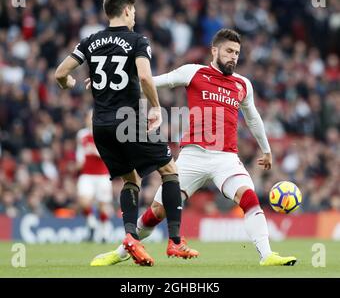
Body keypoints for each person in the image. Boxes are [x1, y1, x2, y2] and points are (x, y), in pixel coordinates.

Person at [92, 28, 297, 267]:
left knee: (248, 196)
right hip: (192, 156)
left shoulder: (243, 84)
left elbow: (253, 118)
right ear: (214, 50)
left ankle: (267, 255)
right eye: (229, 51)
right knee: (157, 212)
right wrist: (111, 87)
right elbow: (157, 82)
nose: (233, 57)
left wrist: (266, 149)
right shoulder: (194, 72)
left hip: (226, 158)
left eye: (237, 53)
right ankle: (122, 251)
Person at [55, 0, 198, 266]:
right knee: (169, 171)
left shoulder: (90, 41)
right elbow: (144, 75)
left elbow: (61, 73)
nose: (135, 15)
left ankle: (130, 237)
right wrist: (155, 107)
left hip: (101, 125)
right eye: (133, 11)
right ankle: (176, 241)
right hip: (128, 120)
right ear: (127, 11)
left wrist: (70, 85)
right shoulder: (137, 40)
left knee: (131, 179)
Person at [76, 109, 113, 242]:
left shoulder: (104, 134)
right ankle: (91, 223)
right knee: (83, 201)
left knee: (103, 205)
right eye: (88, 118)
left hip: (102, 175)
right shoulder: (81, 135)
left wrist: (96, 151)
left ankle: (104, 232)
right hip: (87, 174)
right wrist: (79, 161)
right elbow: (80, 151)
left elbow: (110, 154)